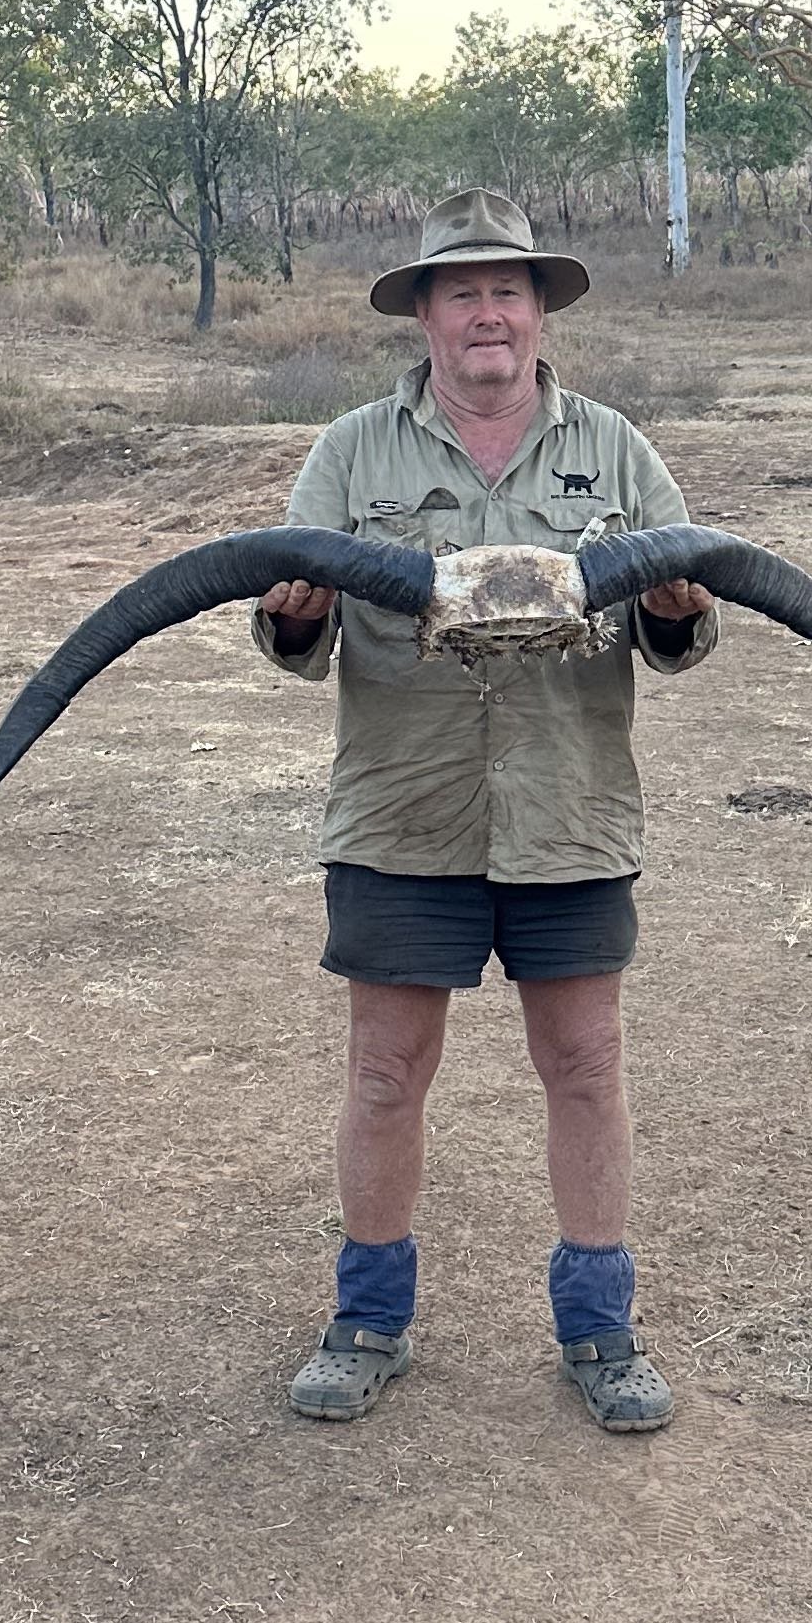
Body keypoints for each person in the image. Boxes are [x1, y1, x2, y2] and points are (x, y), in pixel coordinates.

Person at [250, 188, 716, 1433]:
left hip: (569, 815)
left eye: (508, 289)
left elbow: (685, 630)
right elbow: (289, 633)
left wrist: (673, 607)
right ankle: (368, 1319)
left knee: (586, 1065)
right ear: (426, 315)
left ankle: (602, 1326)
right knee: (387, 1073)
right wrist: (298, 607)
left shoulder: (616, 450)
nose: (488, 312)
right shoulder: (351, 452)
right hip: (405, 817)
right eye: (462, 292)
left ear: (540, 310)